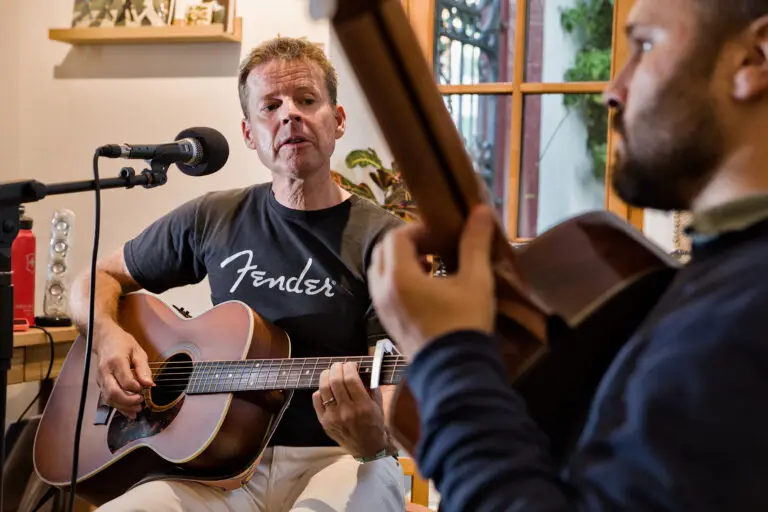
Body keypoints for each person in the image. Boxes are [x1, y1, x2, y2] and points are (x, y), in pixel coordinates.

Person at [368, 0, 768, 510]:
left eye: (644, 45)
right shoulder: (720, 276)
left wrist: (449, 355)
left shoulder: (746, 314)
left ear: (754, 59)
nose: (612, 90)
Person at [69, 36, 406, 511]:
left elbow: (393, 386)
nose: (289, 114)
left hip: (339, 458)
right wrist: (107, 336)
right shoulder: (214, 217)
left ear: (338, 120)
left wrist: (376, 433)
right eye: (271, 105)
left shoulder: (386, 241)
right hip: (214, 471)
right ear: (250, 134)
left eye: (307, 100)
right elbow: (91, 281)